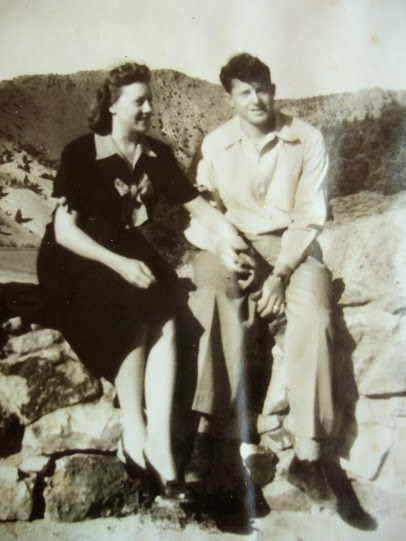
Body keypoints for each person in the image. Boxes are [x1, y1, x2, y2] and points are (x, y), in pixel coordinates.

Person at [28, 62, 248, 503]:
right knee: (132, 302)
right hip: (78, 257)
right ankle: (135, 429)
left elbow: (200, 210)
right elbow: (65, 231)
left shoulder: (156, 156)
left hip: (126, 250)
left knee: (167, 312)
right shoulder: (81, 153)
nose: (149, 109)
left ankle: (160, 450)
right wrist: (119, 264)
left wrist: (237, 244)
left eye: (151, 100)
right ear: (112, 106)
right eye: (139, 101)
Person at [185, 53, 336, 505]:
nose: (256, 100)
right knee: (212, 291)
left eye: (262, 89)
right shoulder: (215, 144)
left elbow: (309, 216)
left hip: (293, 248)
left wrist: (281, 273)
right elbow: (202, 212)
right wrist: (228, 246)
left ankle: (308, 456)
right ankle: (205, 435)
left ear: (274, 90)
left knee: (314, 313)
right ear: (230, 98)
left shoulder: (307, 138)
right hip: (233, 245)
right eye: (245, 92)